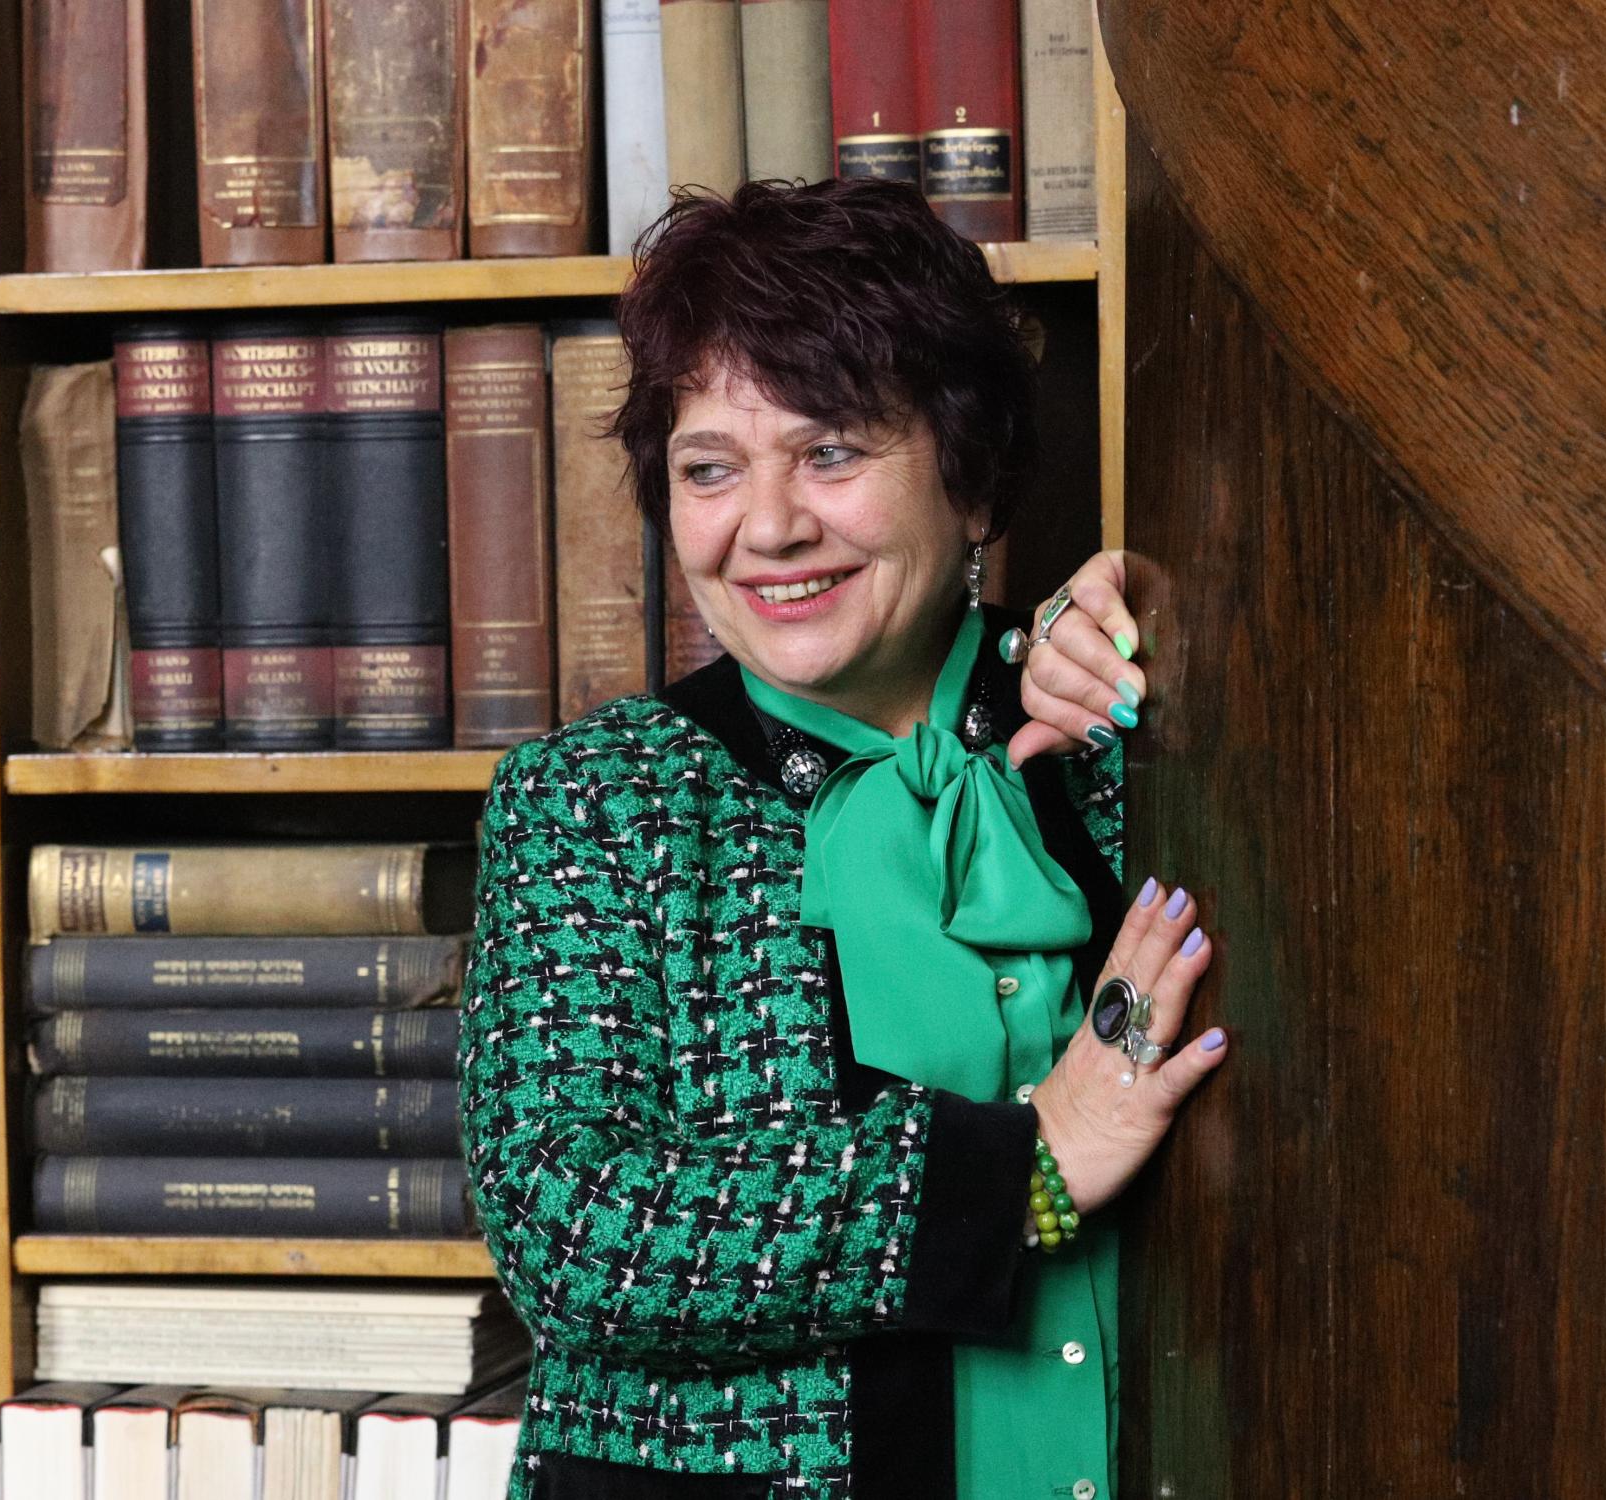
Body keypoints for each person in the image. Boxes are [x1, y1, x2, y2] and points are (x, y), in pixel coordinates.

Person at [459, 177, 1226, 1500]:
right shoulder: (594, 800)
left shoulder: (1118, 736)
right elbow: (571, 1231)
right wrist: (1027, 1168)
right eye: (710, 469)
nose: (767, 528)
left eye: (830, 453)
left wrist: (1167, 622)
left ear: (971, 481)